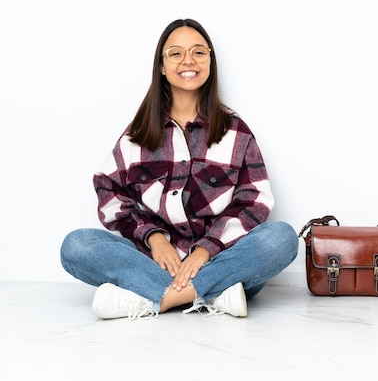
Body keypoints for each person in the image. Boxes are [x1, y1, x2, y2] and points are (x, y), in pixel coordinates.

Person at [60, 18, 299, 320]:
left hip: (221, 261)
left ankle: (157, 298)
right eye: (176, 53)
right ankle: (212, 296)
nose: (188, 61)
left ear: (210, 61)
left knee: (281, 238)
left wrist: (204, 252)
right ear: (161, 66)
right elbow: (109, 190)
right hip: (155, 262)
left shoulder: (236, 132)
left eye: (199, 52)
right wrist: (155, 239)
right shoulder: (138, 133)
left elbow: (255, 202)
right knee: (76, 245)